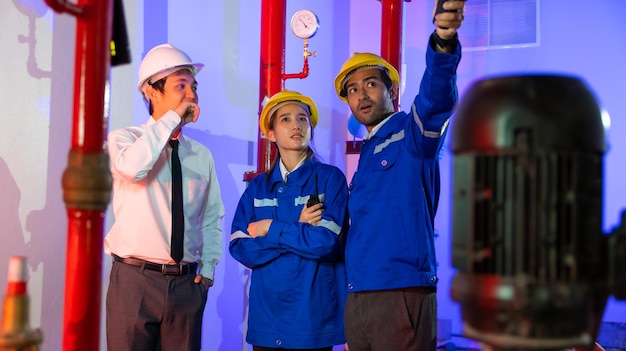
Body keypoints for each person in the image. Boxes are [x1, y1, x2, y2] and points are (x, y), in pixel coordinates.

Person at [333, 1, 466, 350]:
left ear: (391, 90)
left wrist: (443, 40)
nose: (361, 94)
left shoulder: (412, 134)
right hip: (360, 293)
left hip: (401, 291)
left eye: (371, 84)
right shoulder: (367, 152)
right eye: (352, 90)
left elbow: (436, 97)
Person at [104, 43, 224, 351]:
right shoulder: (124, 140)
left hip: (186, 285)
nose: (192, 95)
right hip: (134, 281)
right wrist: (170, 121)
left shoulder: (201, 156)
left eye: (194, 87)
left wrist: (207, 272)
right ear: (151, 92)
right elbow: (133, 170)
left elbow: (211, 218)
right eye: (180, 86)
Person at [229, 90, 348, 351]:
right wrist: (300, 227)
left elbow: (326, 243)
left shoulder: (330, 179)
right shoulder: (257, 188)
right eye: (285, 119)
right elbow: (240, 246)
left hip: (313, 321)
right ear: (270, 134)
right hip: (266, 321)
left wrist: (269, 228)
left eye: (303, 119)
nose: (296, 125)